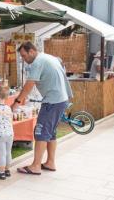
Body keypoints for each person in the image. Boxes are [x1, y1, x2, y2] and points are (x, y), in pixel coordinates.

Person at [12, 42, 72, 175]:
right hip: (61, 100)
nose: (23, 59)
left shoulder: (37, 62)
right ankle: (50, 162)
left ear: (32, 51)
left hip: (52, 101)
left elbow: (29, 84)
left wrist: (17, 101)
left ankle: (35, 166)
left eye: (24, 55)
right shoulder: (49, 57)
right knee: (51, 132)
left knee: (41, 131)